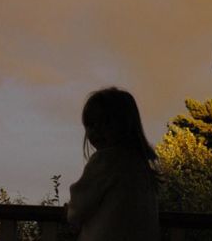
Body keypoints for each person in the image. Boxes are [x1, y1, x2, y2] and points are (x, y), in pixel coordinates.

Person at [67, 87, 160, 241]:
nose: (96, 131)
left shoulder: (106, 161)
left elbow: (77, 208)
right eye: (91, 125)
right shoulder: (140, 164)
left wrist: (69, 211)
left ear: (124, 125)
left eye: (105, 124)